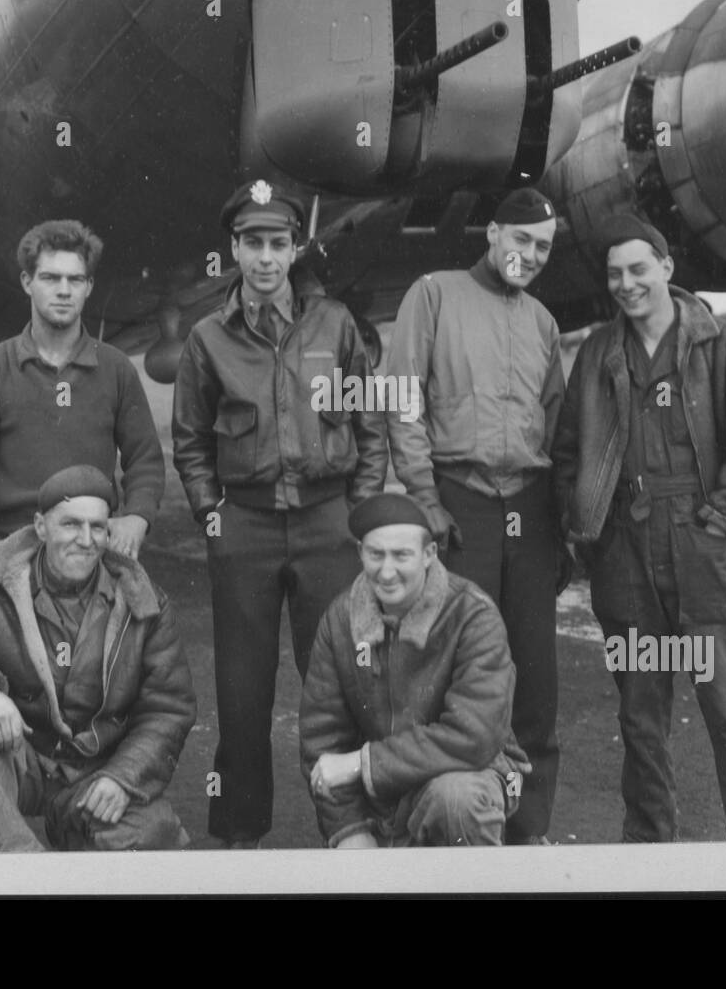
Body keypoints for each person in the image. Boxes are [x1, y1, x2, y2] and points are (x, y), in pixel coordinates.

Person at [551, 213, 726, 842]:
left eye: (638, 269)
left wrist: (719, 519)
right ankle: (649, 847)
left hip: (705, 548)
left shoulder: (722, 343)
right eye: (614, 274)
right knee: (640, 716)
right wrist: (590, 530)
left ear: (666, 268)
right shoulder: (599, 353)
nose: (627, 284)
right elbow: (569, 452)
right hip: (625, 555)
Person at [172, 179, 389, 848]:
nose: (266, 258)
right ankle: (241, 834)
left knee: (342, 682)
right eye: (252, 243)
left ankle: (351, 827)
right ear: (234, 249)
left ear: (296, 249)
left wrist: (361, 512)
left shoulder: (337, 326)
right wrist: (211, 511)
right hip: (247, 527)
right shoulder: (208, 339)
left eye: (278, 243)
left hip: (328, 522)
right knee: (243, 696)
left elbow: (370, 425)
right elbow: (190, 439)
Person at [384, 187, 565, 844]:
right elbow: (402, 400)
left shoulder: (544, 323)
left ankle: (529, 829)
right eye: (522, 240)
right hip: (459, 502)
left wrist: (563, 525)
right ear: (493, 233)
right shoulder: (431, 293)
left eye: (544, 246)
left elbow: (559, 427)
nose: (531, 255)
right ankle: (443, 819)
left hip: (530, 508)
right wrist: (425, 499)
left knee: (536, 676)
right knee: (455, 669)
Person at [0, 465, 195, 851]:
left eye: (98, 527)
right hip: (21, 757)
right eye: (70, 525)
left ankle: (73, 826)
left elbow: (168, 708)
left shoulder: (145, 603)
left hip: (98, 770)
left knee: (157, 835)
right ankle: (14, 865)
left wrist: (122, 778)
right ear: (41, 527)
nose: (85, 539)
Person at [299, 493, 528, 847]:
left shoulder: (472, 614)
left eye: (401, 555)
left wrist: (364, 763)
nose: (386, 571)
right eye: (375, 554)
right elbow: (322, 741)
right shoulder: (340, 618)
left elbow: (474, 736)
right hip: (378, 801)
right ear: (360, 552)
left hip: (466, 777)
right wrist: (349, 831)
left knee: (455, 799)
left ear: (429, 555)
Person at [0, 219, 164, 583]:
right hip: (14, 548)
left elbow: (146, 458)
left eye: (75, 280)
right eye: (50, 278)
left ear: (89, 286)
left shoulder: (116, 369)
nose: (63, 290)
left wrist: (137, 517)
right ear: (27, 282)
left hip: (91, 547)